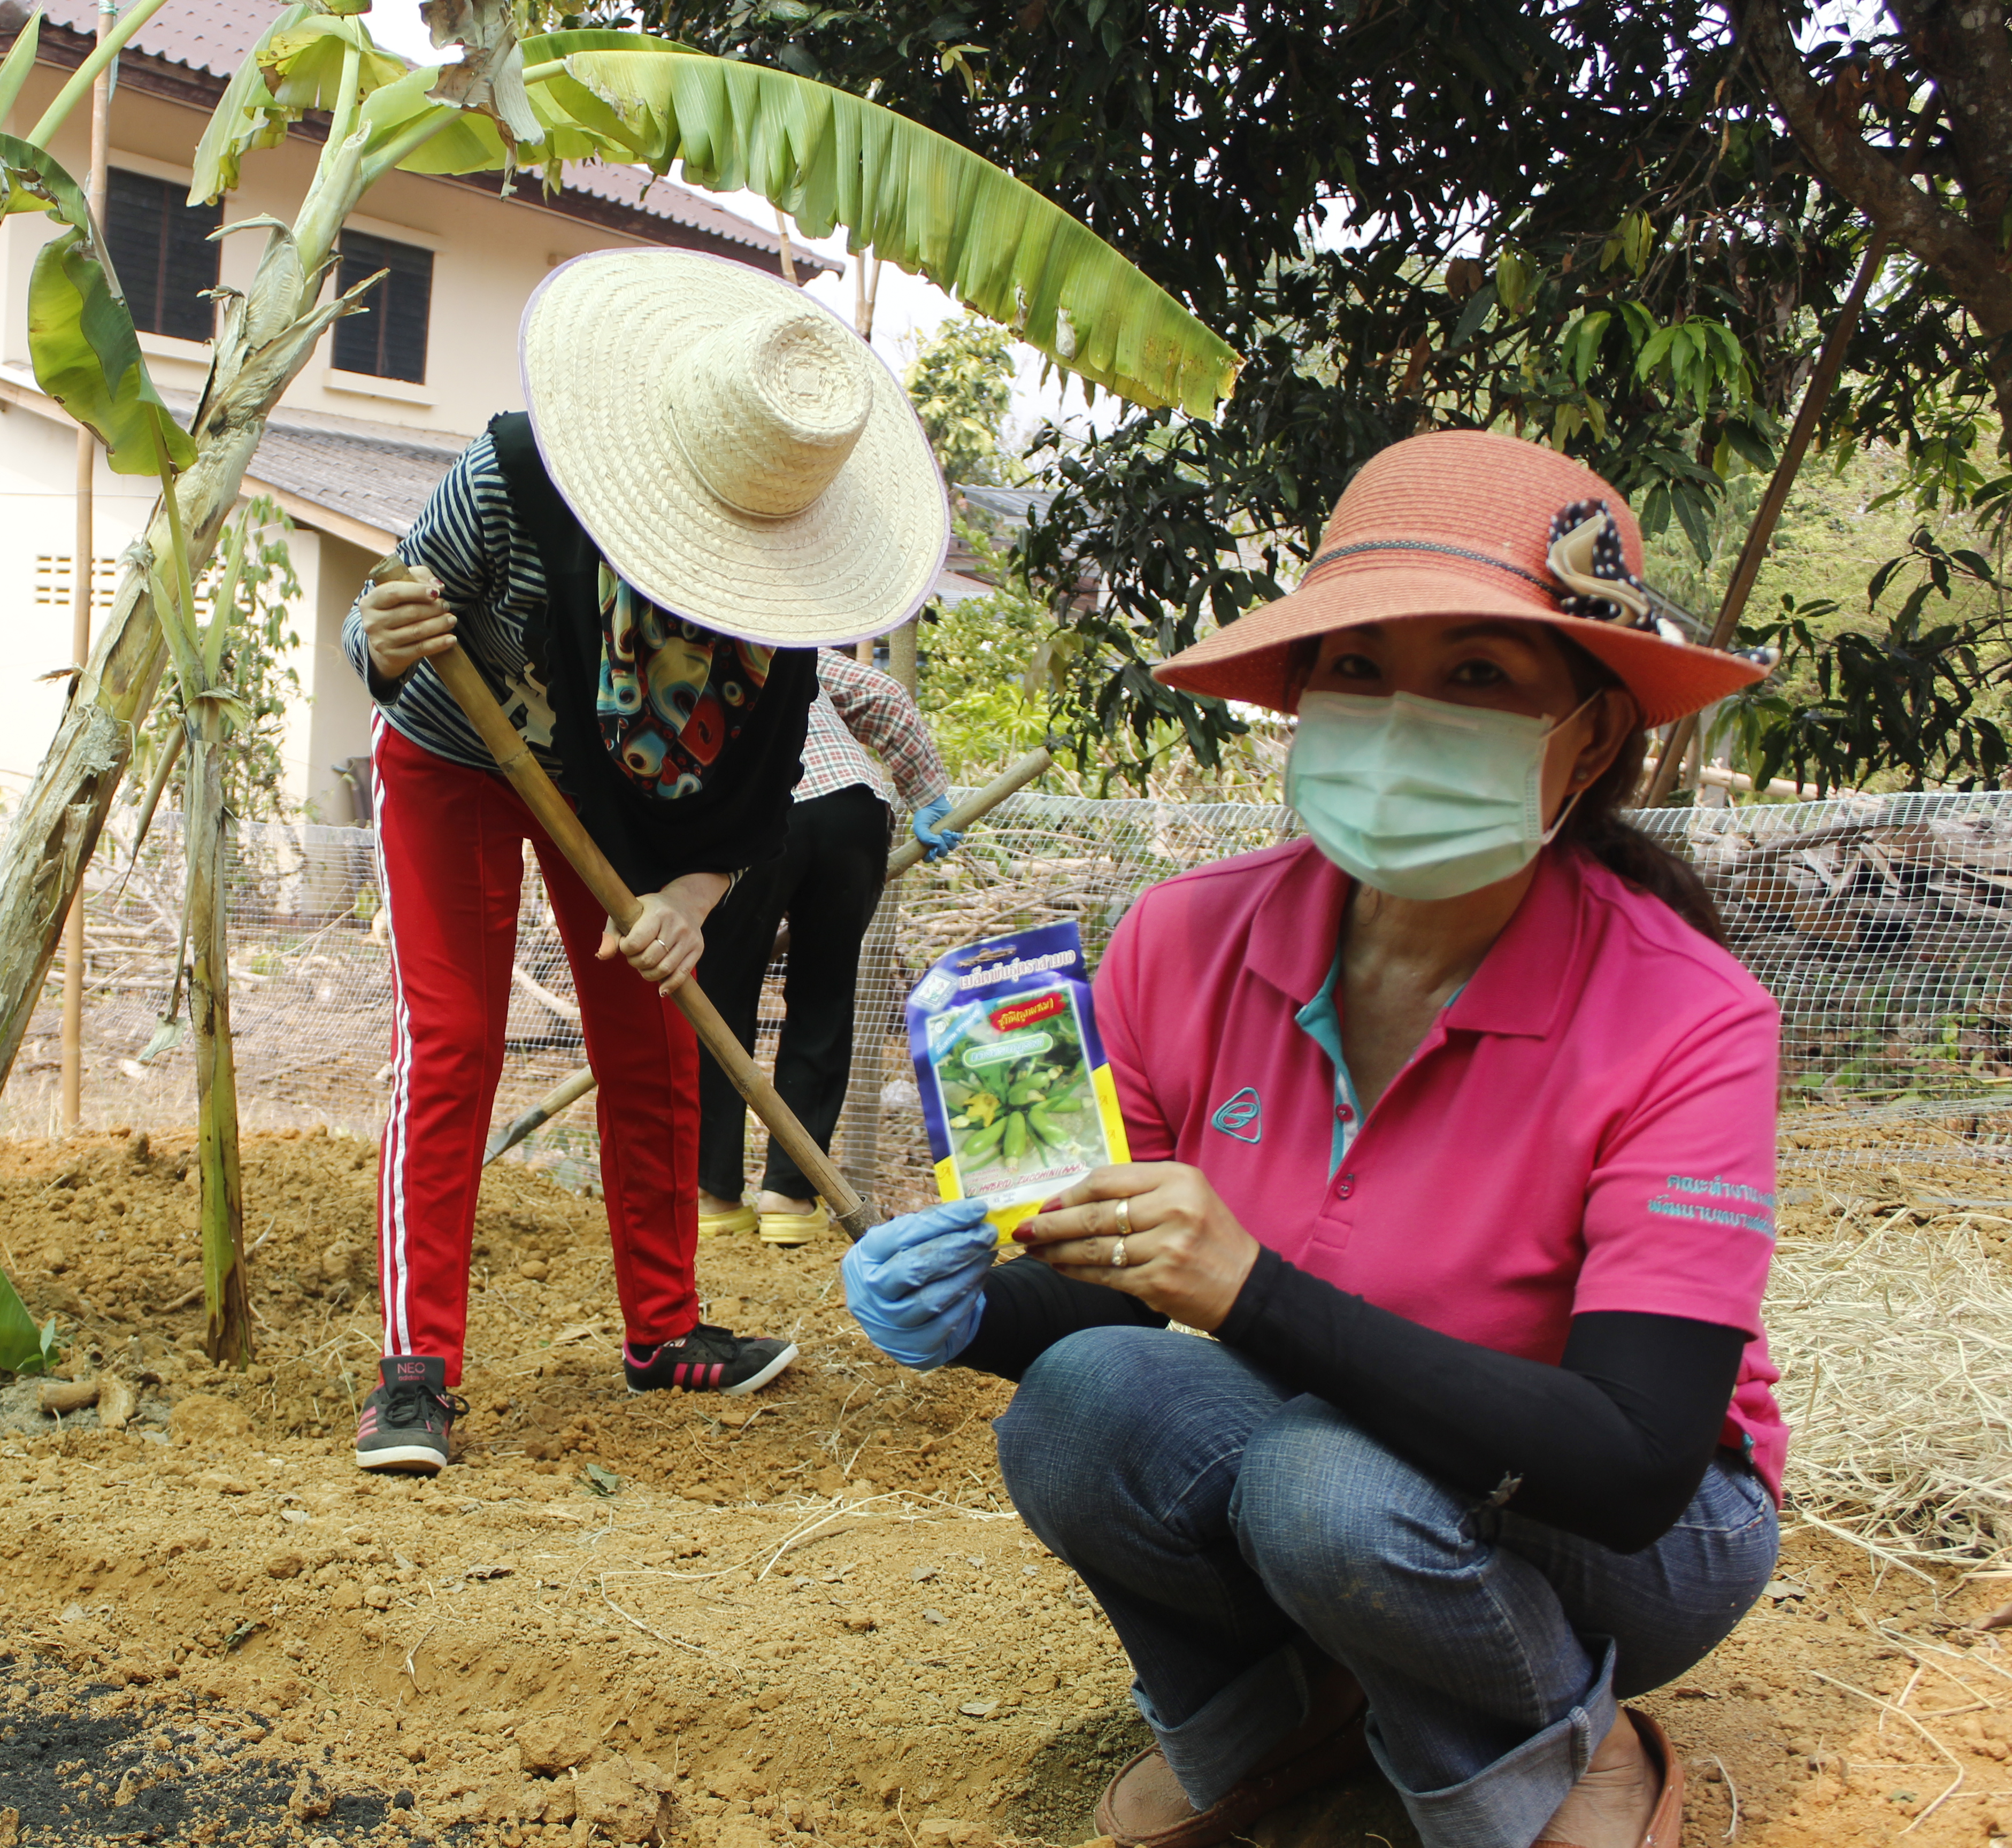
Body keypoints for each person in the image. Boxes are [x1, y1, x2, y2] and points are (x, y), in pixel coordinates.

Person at [839, 429, 1784, 1848]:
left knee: (1320, 1486)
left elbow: (1638, 1463)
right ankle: (1268, 1719)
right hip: (1338, 1460)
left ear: (1588, 735)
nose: (1405, 718)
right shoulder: (1186, 936)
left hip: (1631, 1535)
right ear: (1299, 703)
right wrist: (972, 1300)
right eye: (1358, 666)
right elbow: (1117, 1281)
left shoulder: (1687, 1015)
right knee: (1082, 1403)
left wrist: (1254, 1293)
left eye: (1477, 673)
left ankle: (1545, 1752)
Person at [345, 248, 949, 1474]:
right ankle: (417, 1369)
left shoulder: (786, 601)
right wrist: (385, 633)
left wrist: (692, 895)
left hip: (622, 803)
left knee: (654, 1039)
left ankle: (664, 1332)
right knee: (454, 1036)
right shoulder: (512, 475)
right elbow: (385, 619)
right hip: (458, 754)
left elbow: (760, 785)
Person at [695, 648, 957, 1245]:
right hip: (850, 812)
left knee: (719, 1001)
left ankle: (714, 1193)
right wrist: (928, 796)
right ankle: (789, 1196)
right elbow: (884, 697)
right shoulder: (784, 633)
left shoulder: (662, 644)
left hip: (752, 815)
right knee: (823, 1000)